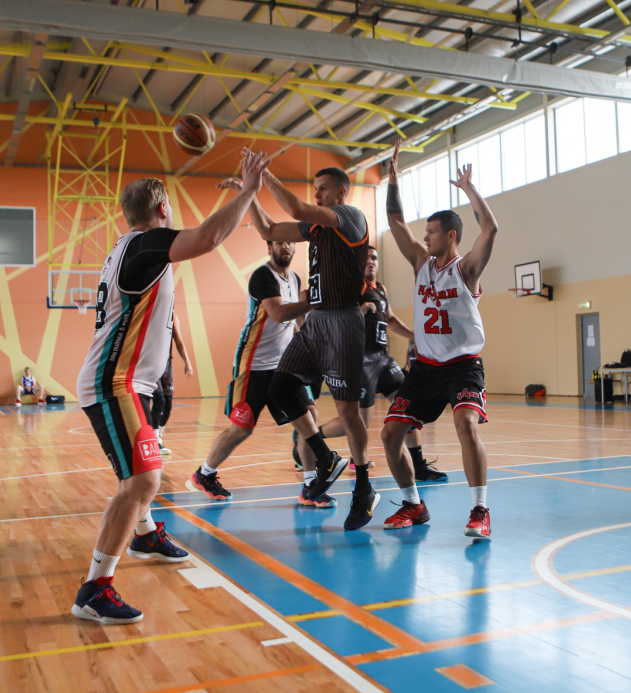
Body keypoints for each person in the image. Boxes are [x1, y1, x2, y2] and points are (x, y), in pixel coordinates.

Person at [72, 152, 270, 625]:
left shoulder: (130, 249)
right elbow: (208, 236)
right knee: (144, 479)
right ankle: (94, 589)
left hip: (131, 381)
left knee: (141, 471)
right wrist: (248, 191)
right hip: (113, 382)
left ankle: (143, 535)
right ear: (162, 211)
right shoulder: (144, 246)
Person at [246, 153, 376, 531]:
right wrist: (249, 191)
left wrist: (263, 172)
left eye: (322, 190)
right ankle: (325, 458)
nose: (316, 195)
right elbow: (270, 229)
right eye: (315, 190)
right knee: (280, 387)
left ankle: (364, 487)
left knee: (348, 412)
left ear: (341, 192)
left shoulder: (351, 217)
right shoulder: (317, 230)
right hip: (316, 321)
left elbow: (295, 207)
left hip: (343, 322)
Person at [380, 142, 498, 537]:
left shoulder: (466, 270)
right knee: (390, 433)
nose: (424, 236)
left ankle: (480, 511)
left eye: (431, 231)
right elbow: (395, 222)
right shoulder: (420, 263)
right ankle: (413, 505)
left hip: (463, 365)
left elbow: (490, 229)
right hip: (425, 368)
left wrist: (469, 190)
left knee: (466, 424)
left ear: (450, 235)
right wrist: (393, 180)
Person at [187, 234, 319, 505]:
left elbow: (294, 320)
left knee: (310, 417)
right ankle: (204, 474)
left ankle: (311, 485)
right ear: (269, 247)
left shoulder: (294, 279)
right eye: (280, 242)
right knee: (242, 428)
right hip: (254, 365)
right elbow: (280, 313)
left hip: (285, 365)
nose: (286, 246)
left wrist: (306, 345)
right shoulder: (263, 276)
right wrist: (317, 299)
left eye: (290, 242)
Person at [309, 245, 449, 484]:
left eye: (374, 257)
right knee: (359, 421)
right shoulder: (352, 287)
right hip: (359, 359)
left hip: (382, 358)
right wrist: (359, 311)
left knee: (409, 405)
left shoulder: (381, 289)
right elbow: (336, 319)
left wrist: (415, 335)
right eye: (366, 258)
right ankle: (311, 437)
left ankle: (419, 465)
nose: (371, 261)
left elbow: (391, 319)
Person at [150, 313, 194, 456]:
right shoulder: (150, 315)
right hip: (151, 362)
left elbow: (179, 342)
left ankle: (159, 435)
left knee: (168, 404)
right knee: (159, 400)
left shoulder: (173, 318)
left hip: (167, 364)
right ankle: (154, 441)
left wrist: (187, 362)